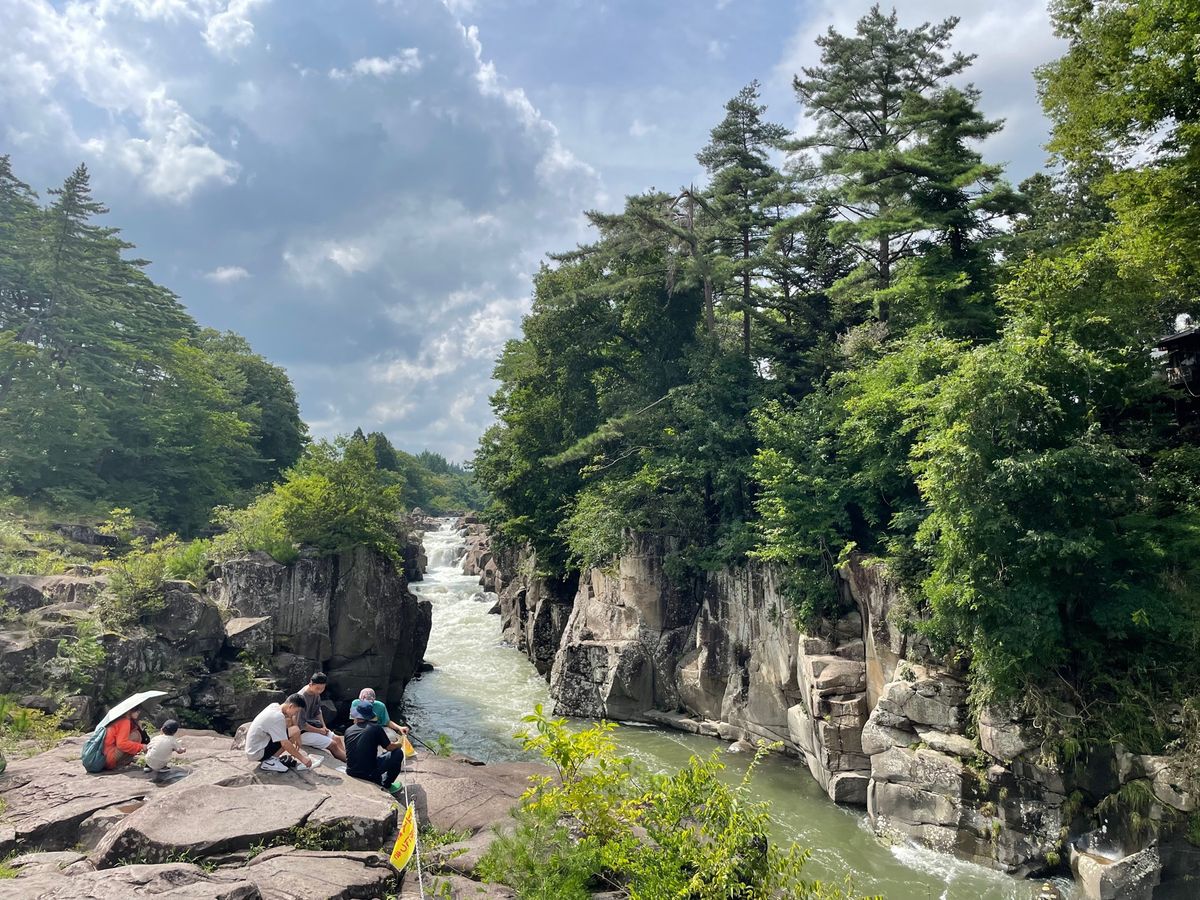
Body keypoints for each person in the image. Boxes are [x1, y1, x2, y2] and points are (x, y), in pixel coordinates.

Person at [245, 694, 319, 772]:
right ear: (291, 706)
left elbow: (292, 728)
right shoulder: (278, 717)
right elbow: (285, 743)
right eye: (296, 711)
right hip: (257, 753)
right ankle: (270, 762)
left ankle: (273, 758)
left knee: (295, 730)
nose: (295, 714)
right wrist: (303, 759)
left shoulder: (274, 706)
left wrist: (298, 738)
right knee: (293, 732)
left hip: (255, 747)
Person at [343, 699, 405, 793]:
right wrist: (400, 744)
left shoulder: (348, 730)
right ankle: (386, 784)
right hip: (369, 773)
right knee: (398, 753)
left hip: (351, 771)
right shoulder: (375, 728)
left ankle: (378, 777)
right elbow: (389, 747)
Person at [296, 673, 347, 762]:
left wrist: (324, 727)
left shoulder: (315, 693)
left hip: (313, 726)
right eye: (318, 688)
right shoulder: (301, 697)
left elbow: (318, 711)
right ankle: (350, 764)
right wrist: (320, 731)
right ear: (311, 684)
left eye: (322, 688)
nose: (320, 691)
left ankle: (348, 761)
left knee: (337, 739)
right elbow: (301, 725)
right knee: (333, 744)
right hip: (300, 733)